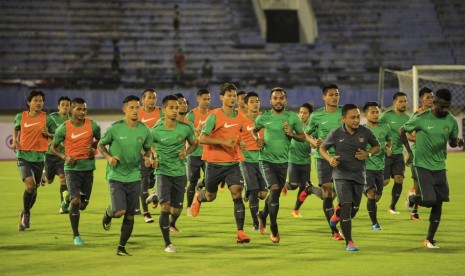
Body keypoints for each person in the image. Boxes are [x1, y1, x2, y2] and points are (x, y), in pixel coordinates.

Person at [399, 88, 463, 249]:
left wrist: (458, 143)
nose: (445, 110)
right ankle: (413, 199)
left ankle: (429, 239)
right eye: (442, 106)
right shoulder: (421, 118)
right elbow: (402, 131)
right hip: (422, 165)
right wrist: (409, 153)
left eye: (448, 106)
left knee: (439, 202)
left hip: (440, 166)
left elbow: (452, 142)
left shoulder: (451, 121)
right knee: (429, 200)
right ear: (434, 103)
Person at [191, 83, 251, 244]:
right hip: (214, 164)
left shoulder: (239, 117)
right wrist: (224, 142)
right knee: (210, 196)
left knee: (237, 193)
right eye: (229, 95)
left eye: (234, 96)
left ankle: (240, 233)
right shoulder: (215, 116)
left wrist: (241, 144)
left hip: (232, 163)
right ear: (222, 97)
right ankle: (199, 196)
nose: (232, 98)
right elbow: (202, 138)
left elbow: (239, 136)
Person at [320, 103, 380, 251]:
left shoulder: (365, 132)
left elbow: (377, 146)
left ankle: (336, 215)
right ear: (344, 119)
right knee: (346, 206)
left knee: (353, 211)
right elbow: (322, 148)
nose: (356, 120)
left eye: (358, 117)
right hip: (341, 175)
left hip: (359, 175)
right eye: (352, 117)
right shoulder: (335, 133)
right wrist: (330, 159)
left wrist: (368, 154)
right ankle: (349, 242)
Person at [99, 95, 153, 256]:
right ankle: (109, 212)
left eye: (137, 107)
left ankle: (121, 247)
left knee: (130, 215)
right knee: (119, 212)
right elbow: (100, 144)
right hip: (116, 176)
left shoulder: (144, 130)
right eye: (132, 108)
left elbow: (148, 148)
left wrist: (147, 156)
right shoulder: (115, 128)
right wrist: (109, 158)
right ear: (124, 110)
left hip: (135, 176)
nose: (135, 110)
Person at [253, 87, 305, 243]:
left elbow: (302, 137)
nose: (278, 101)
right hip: (266, 160)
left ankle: (262, 214)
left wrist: (291, 134)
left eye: (281, 98)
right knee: (275, 189)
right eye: (275, 98)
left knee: (274, 193)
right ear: (270, 101)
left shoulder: (292, 117)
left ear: (285, 100)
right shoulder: (263, 118)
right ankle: (273, 227)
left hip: (283, 162)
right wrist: (257, 139)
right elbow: (254, 131)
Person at [150, 95, 197, 253]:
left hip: (179, 172)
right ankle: (167, 244)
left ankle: (159, 199)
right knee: (165, 206)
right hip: (163, 171)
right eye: (172, 107)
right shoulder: (156, 129)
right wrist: (154, 156)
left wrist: (186, 152)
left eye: (177, 107)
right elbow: (148, 144)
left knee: (176, 210)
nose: (175, 110)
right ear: (163, 110)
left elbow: (194, 143)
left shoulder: (184, 128)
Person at [51, 97, 101, 245]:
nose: (82, 112)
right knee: (76, 200)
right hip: (72, 169)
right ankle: (76, 236)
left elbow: (100, 141)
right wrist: (64, 157)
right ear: (71, 110)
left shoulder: (93, 126)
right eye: (78, 109)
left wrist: (94, 147)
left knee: (83, 205)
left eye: (84, 109)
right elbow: (53, 147)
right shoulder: (64, 128)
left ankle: (66, 198)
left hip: (88, 168)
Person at [301, 83, 344, 241]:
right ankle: (334, 231)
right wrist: (313, 142)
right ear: (324, 97)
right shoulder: (317, 116)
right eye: (331, 94)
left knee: (343, 195)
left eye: (337, 94)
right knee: (328, 192)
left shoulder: (345, 113)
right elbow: (306, 134)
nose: (334, 97)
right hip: (323, 158)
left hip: (343, 158)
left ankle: (311, 190)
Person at [12, 90, 55, 231]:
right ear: (29, 102)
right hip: (24, 156)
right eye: (36, 100)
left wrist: (48, 134)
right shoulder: (21, 116)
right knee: (30, 186)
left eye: (41, 100)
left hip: (39, 157)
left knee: (34, 191)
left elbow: (57, 134)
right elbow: (16, 128)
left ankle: (23, 212)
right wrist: (14, 141)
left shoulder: (47, 118)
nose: (39, 103)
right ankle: (27, 213)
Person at [283, 103, 317, 218]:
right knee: (293, 185)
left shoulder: (312, 128)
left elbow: (314, 145)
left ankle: (296, 210)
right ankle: (284, 184)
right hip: (292, 159)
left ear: (310, 115)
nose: (302, 115)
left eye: (305, 113)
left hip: (306, 161)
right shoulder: (293, 126)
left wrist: (314, 143)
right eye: (300, 112)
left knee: (304, 189)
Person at [379, 92, 410, 214]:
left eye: (405, 101)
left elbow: (409, 135)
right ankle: (367, 185)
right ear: (394, 103)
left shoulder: (408, 119)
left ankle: (392, 206)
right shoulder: (386, 116)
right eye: (400, 101)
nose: (403, 104)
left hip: (398, 154)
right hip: (386, 154)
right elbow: (375, 128)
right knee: (385, 182)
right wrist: (384, 145)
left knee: (399, 179)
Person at [405, 87, 434, 220]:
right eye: (427, 97)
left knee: (430, 184)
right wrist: (420, 140)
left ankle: (413, 198)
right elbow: (406, 133)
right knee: (418, 185)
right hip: (418, 154)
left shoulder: (436, 115)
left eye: (432, 97)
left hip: (432, 154)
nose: (430, 100)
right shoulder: (417, 115)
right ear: (421, 99)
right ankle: (414, 212)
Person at [362, 101, 392, 230]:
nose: (375, 115)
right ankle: (375, 223)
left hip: (380, 167)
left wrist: (389, 148)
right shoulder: (361, 129)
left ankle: (361, 191)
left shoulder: (385, 127)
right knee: (371, 194)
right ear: (366, 114)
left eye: (377, 112)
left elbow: (389, 141)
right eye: (372, 112)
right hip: (366, 167)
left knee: (377, 196)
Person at [240, 92, 267, 231]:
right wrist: (239, 143)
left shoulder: (265, 118)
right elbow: (234, 135)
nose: (255, 103)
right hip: (247, 159)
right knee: (256, 192)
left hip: (263, 159)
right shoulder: (241, 120)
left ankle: (248, 189)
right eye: (252, 101)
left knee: (263, 194)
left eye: (257, 101)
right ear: (246, 104)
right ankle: (255, 223)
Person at [138, 89, 163, 223]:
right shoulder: (138, 113)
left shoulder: (160, 112)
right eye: (149, 98)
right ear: (143, 100)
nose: (152, 100)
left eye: (154, 98)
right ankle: (146, 213)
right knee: (144, 182)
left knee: (156, 180)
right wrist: (146, 155)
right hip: (143, 152)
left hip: (159, 152)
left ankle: (154, 194)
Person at [185, 89, 211, 216]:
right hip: (195, 153)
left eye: (208, 99)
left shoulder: (212, 115)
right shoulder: (191, 115)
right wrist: (197, 130)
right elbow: (188, 134)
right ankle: (189, 207)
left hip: (208, 153)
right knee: (192, 182)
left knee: (210, 179)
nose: (207, 102)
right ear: (198, 99)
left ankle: (201, 185)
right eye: (204, 99)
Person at [43, 96, 71, 214]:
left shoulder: (72, 120)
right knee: (49, 181)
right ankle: (44, 175)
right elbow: (43, 132)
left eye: (67, 105)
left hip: (63, 155)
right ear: (58, 106)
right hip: (50, 153)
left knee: (62, 178)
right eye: (63, 104)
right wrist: (49, 136)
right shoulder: (50, 118)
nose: (65, 107)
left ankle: (63, 206)